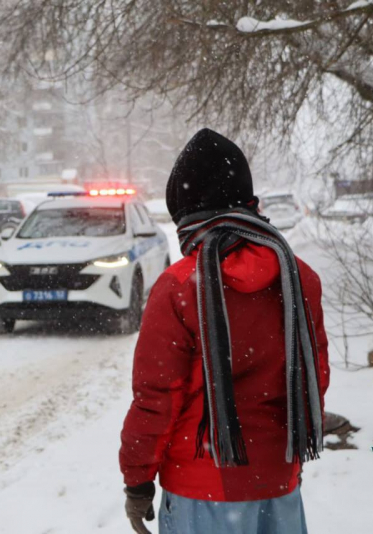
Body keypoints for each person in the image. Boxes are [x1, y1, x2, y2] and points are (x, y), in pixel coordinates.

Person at [119, 128, 330, 534]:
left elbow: (157, 399)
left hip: (200, 492)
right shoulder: (297, 277)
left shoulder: (180, 286)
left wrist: (137, 481)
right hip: (278, 484)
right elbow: (313, 379)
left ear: (186, 213)